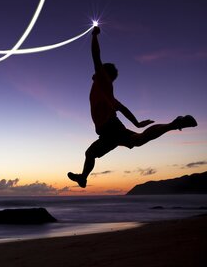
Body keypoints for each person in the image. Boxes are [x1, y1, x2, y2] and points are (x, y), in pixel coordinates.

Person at [67, 25, 197, 188]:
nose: (94, 72)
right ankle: (83, 178)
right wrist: (136, 123)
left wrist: (94, 36)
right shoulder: (106, 92)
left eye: (100, 70)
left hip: (111, 129)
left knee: (136, 140)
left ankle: (175, 124)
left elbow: (96, 56)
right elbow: (122, 108)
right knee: (94, 152)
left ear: (104, 72)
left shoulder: (102, 81)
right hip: (107, 133)